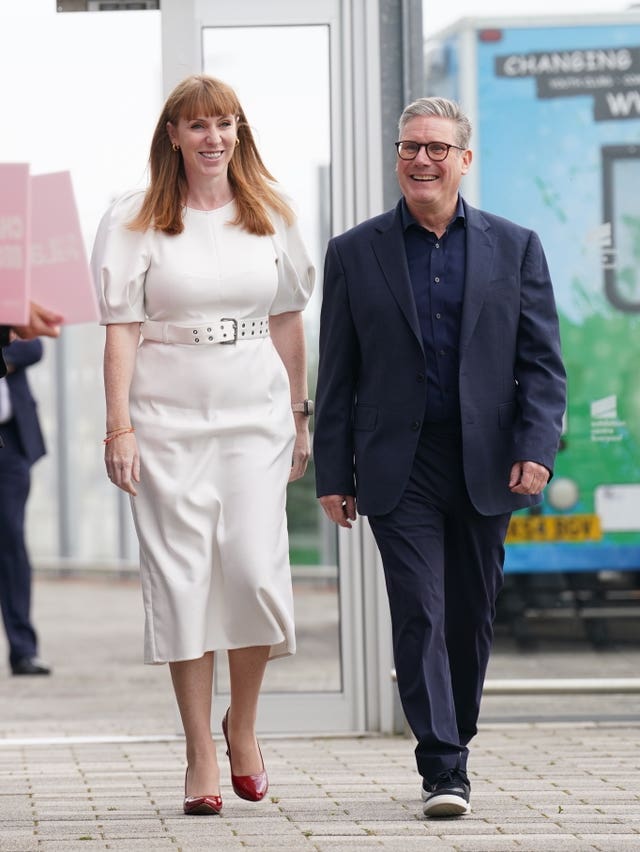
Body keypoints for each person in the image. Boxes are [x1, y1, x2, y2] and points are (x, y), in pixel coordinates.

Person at [313, 97, 566, 818]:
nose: (420, 159)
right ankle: (443, 768)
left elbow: (542, 365)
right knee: (419, 609)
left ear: (464, 159)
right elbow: (339, 372)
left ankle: (459, 738)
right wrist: (336, 472)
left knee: (470, 615)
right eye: (409, 147)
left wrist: (535, 447)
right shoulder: (353, 252)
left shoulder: (515, 247)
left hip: (486, 459)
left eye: (435, 148)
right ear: (398, 157)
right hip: (400, 462)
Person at [91, 74, 314, 816]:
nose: (213, 138)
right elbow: (120, 328)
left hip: (255, 415)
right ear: (174, 137)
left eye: (225, 124)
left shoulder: (271, 213)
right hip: (166, 418)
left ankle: (241, 727)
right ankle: (198, 753)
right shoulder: (135, 219)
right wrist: (118, 426)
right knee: (184, 582)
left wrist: (299, 414)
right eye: (197, 126)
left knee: (252, 572)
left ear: (239, 133)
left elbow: (287, 319)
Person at [0, 338, 50, 676]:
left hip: (10, 444)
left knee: (11, 541)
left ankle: (23, 650)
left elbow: (33, 347)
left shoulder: (9, 294)